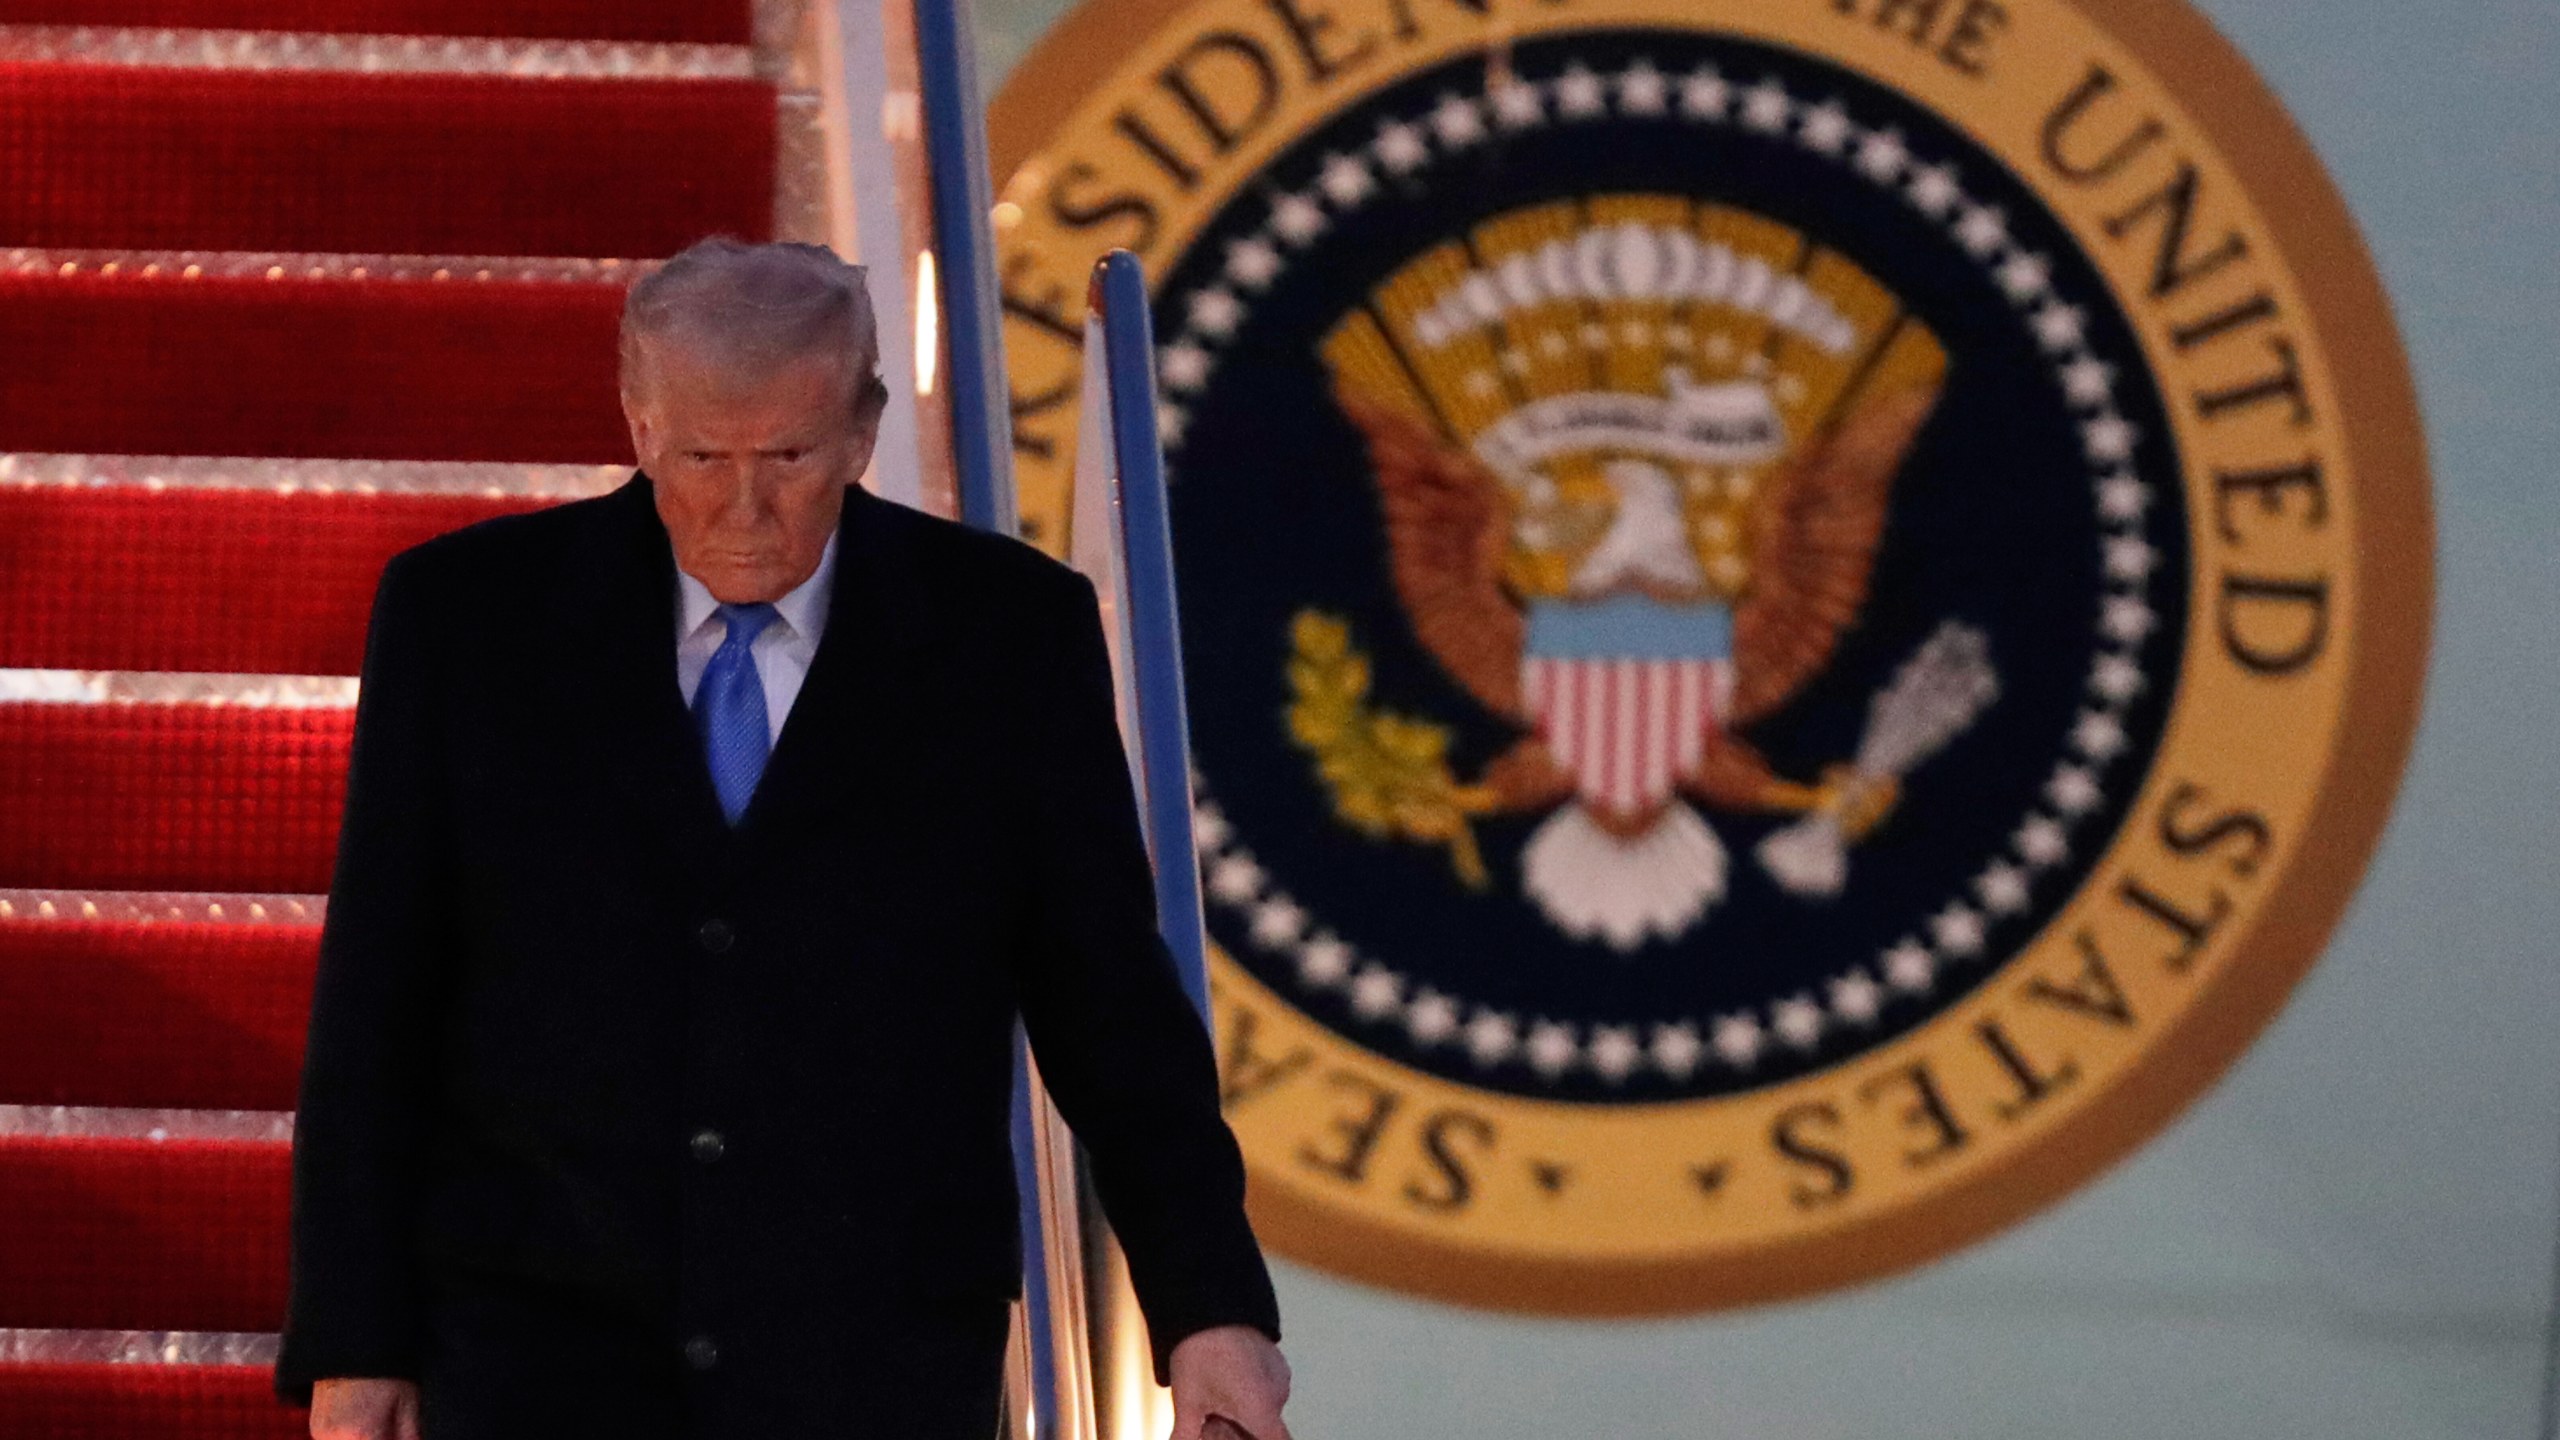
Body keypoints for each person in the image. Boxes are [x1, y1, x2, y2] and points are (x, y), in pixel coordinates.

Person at [278, 238, 1291, 1440]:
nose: (745, 508)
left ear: (864, 430)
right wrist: (354, 1338)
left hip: (874, 1359)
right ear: (638, 424)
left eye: (792, 458)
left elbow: (1112, 1008)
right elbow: (377, 1003)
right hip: (537, 1346)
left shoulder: (1009, 640)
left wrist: (1210, 1312)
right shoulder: (468, 621)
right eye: (703, 456)